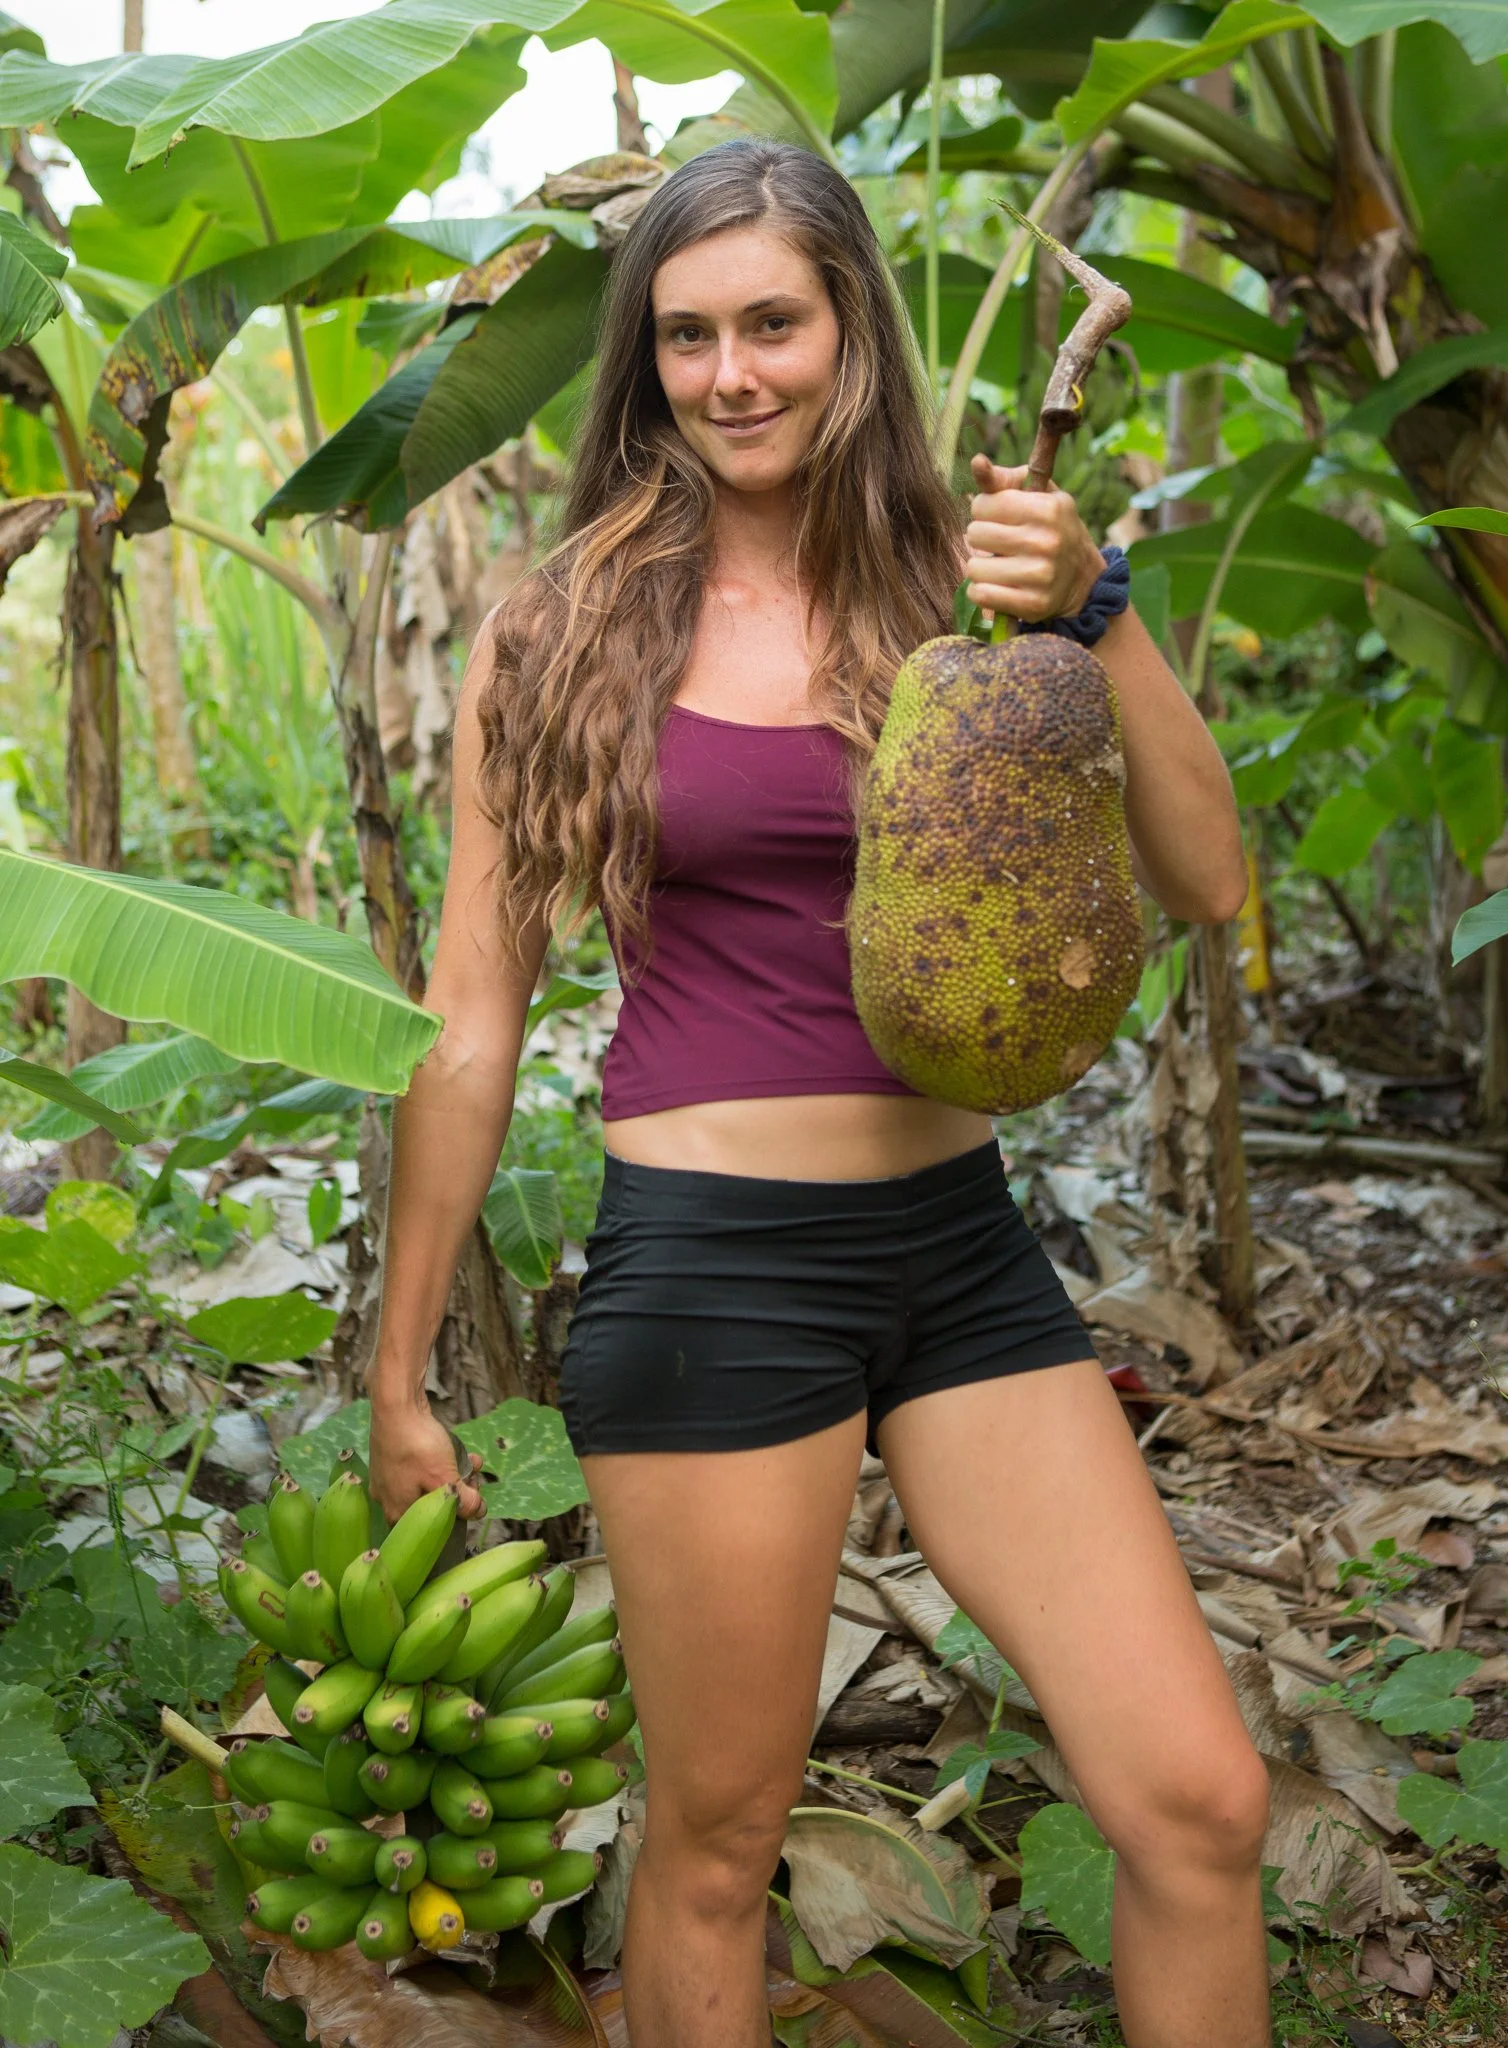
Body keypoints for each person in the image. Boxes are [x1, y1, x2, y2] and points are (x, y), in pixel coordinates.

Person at [367, 138, 1265, 2048]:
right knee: (713, 1846)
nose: (733, 374)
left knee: (1197, 1802)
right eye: (687, 337)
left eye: (772, 321)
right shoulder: (562, 630)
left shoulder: (980, 574)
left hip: (958, 1251)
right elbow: (470, 1021)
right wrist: (398, 1368)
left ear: (851, 325)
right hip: (709, 1277)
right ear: (646, 365)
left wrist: (1099, 604)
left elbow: (1204, 881)